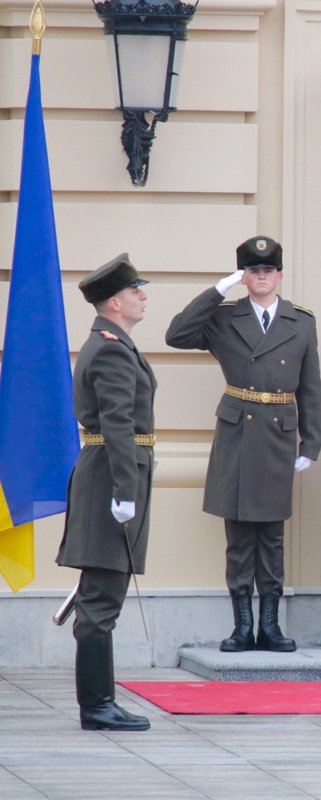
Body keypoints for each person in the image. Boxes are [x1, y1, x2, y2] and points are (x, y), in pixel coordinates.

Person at [164, 235, 321, 653]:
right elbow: (176, 335)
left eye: (268, 270)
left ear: (280, 275)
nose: (262, 277)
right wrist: (217, 291)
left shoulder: (301, 321)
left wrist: (312, 443)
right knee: (238, 537)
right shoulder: (223, 317)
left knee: (271, 535)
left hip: (278, 434)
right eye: (253, 271)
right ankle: (242, 627)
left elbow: (310, 387)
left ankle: (269, 626)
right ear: (244, 276)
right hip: (238, 433)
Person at [56, 253, 156, 731]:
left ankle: (100, 703)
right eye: (136, 291)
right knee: (100, 599)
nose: (142, 297)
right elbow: (118, 424)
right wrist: (124, 489)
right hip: (110, 480)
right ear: (114, 302)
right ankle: (97, 706)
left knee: (103, 594)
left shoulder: (113, 343)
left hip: (111, 474)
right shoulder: (112, 349)